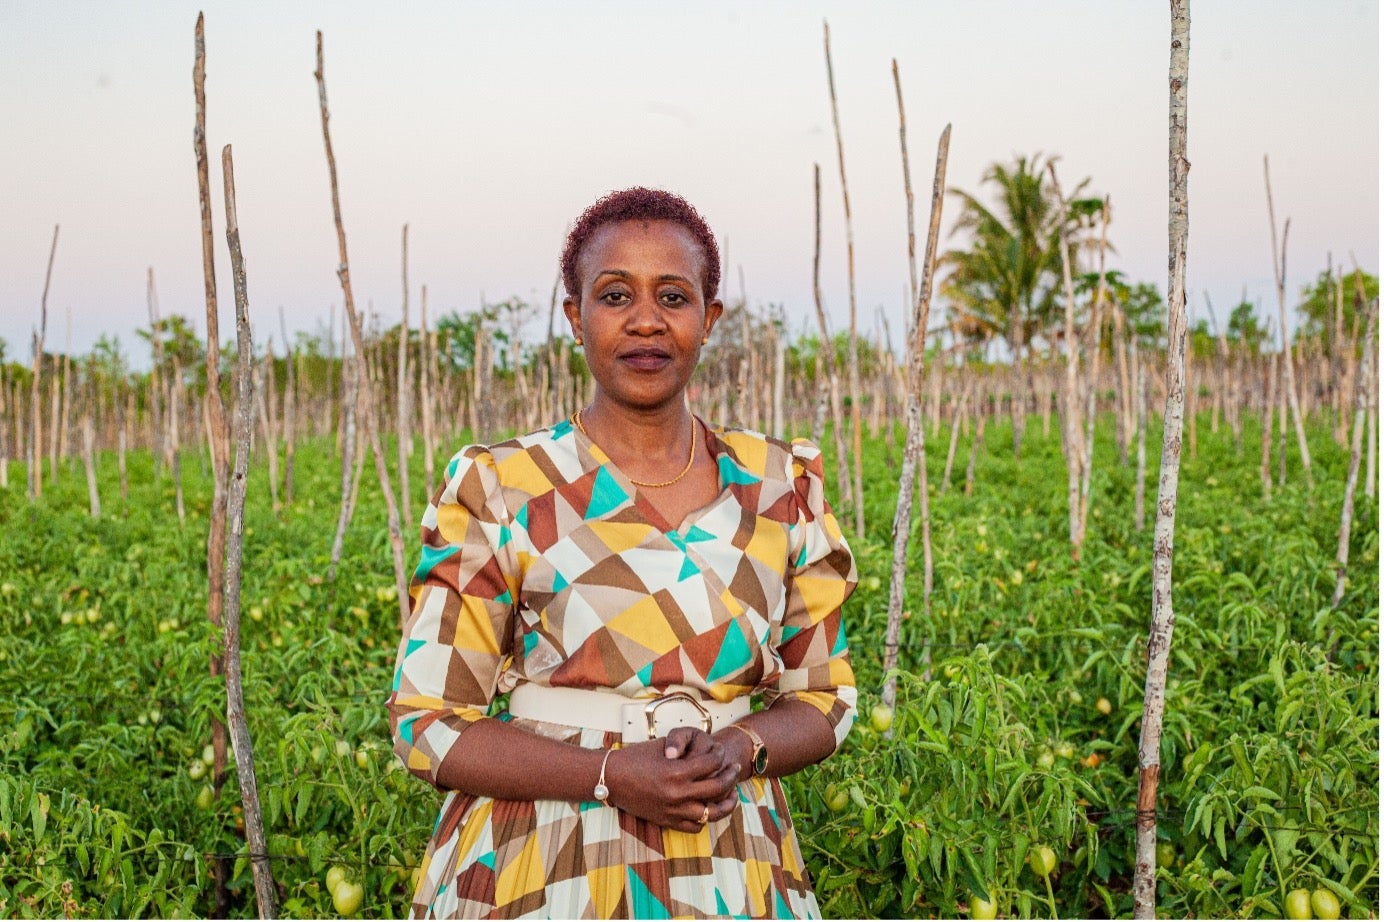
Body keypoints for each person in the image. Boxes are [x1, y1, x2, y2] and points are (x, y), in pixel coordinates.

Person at [387, 187, 857, 920]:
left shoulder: (777, 486)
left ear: (710, 319)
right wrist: (608, 774)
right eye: (614, 296)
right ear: (576, 318)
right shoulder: (503, 485)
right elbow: (427, 722)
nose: (646, 320)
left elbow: (823, 697)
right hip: (540, 866)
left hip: (728, 864)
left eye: (674, 295)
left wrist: (735, 750)